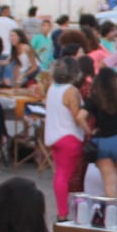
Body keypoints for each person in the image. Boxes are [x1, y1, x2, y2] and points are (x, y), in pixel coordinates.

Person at [44, 57, 86, 221]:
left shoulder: (52, 88)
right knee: (66, 176)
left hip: (54, 137)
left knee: (60, 174)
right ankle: (63, 213)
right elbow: (78, 117)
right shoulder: (71, 91)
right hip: (70, 136)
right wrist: (89, 129)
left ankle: (62, 210)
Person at [85, 67, 117, 202]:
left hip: (102, 142)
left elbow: (80, 116)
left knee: (109, 182)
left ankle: (110, 215)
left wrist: (89, 131)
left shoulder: (94, 98)